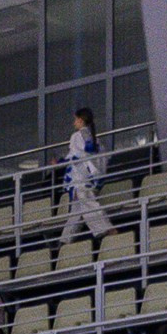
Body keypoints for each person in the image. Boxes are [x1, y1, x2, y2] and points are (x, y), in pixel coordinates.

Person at [61, 104, 112, 242]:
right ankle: (65, 240)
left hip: (81, 177)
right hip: (88, 176)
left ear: (81, 120)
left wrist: (60, 162)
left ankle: (107, 229)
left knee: (87, 202)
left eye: (75, 119)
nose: (74, 122)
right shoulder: (94, 138)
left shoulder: (78, 135)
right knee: (77, 209)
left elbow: (76, 155)